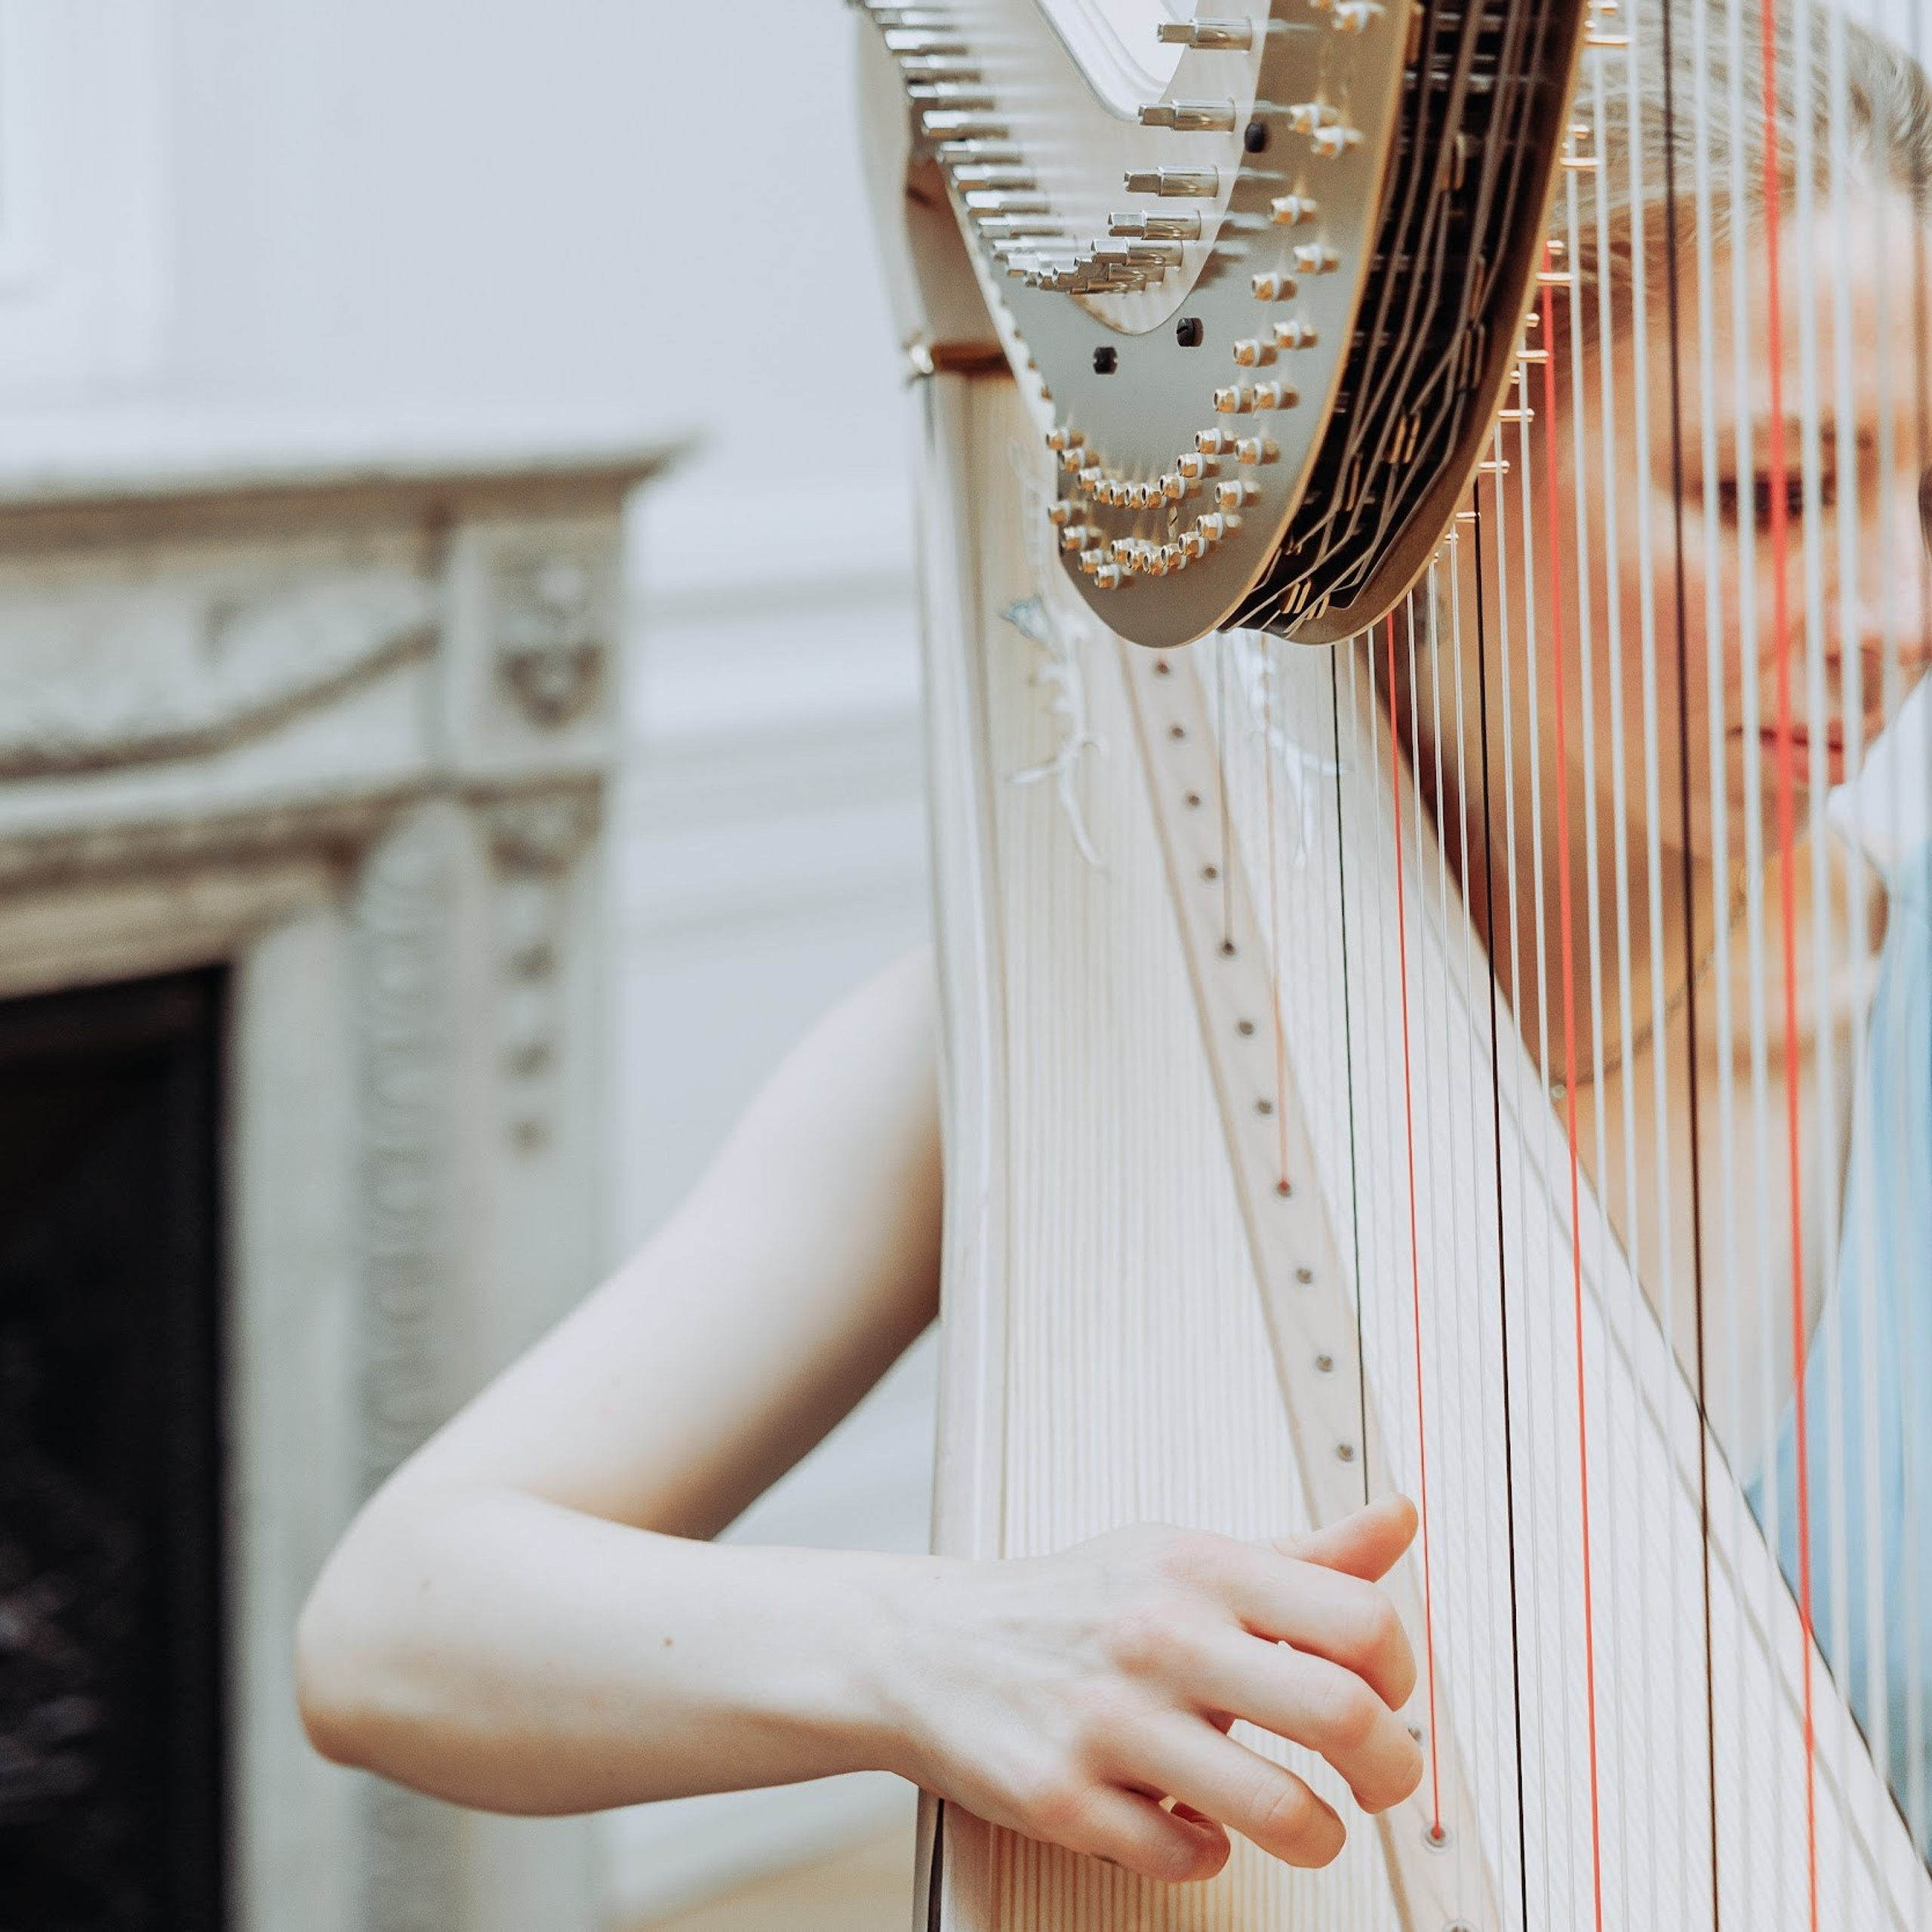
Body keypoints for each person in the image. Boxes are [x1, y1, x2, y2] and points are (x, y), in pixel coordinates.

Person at [1404, 0, 1932, 1851]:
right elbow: (443, 1594)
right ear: (1442, 465)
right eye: (1769, 494)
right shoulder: (1134, 983)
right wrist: (937, 1647)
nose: (1890, 610)